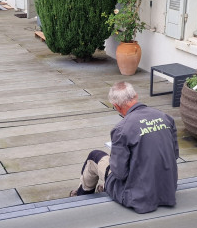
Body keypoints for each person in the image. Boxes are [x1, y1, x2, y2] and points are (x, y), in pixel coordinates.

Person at [70, 81, 179, 213]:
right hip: (167, 190)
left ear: (116, 106)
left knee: (94, 156)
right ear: (136, 96)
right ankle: (101, 188)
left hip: (137, 197)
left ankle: (81, 197)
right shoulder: (165, 118)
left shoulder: (121, 129)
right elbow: (175, 155)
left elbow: (119, 173)